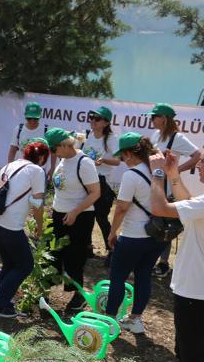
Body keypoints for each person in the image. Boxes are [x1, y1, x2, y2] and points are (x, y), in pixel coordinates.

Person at [147, 150, 204, 362]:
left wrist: (157, 175)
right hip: (193, 288)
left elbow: (159, 209)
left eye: (203, 163)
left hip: (196, 291)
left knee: (193, 355)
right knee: (186, 349)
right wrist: (173, 175)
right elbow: (188, 205)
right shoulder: (201, 204)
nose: (199, 166)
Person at [0, 140, 50, 319]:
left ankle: (3, 305)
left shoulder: (9, 166)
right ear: (42, 157)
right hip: (10, 226)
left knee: (10, 264)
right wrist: (40, 227)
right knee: (25, 265)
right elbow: (37, 204)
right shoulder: (37, 171)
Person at [103, 133, 162, 334]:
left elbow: (121, 208)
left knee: (118, 276)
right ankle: (135, 320)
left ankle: (109, 320)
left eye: (122, 156)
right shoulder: (158, 171)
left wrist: (112, 232)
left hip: (133, 236)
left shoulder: (131, 175)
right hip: (156, 235)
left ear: (129, 153)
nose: (122, 160)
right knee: (144, 275)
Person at [44, 127, 101, 311]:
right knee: (51, 254)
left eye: (53, 149)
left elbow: (95, 193)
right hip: (59, 215)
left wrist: (75, 211)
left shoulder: (84, 163)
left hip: (80, 217)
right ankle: (44, 293)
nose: (52, 154)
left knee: (74, 257)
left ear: (63, 145)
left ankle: (78, 295)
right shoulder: (63, 159)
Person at [148, 102, 202, 278]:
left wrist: (175, 171)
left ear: (163, 119)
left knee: (166, 226)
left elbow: (197, 156)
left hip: (170, 188)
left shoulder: (177, 138)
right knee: (155, 223)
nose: (151, 120)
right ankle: (152, 260)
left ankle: (163, 263)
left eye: (153, 116)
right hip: (156, 184)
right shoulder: (156, 134)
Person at [82, 106, 120, 264]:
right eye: (91, 117)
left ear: (105, 122)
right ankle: (87, 247)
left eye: (97, 119)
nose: (92, 121)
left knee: (101, 218)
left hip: (103, 182)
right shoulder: (90, 134)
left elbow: (118, 161)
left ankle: (112, 251)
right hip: (88, 180)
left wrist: (104, 160)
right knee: (87, 215)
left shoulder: (111, 138)